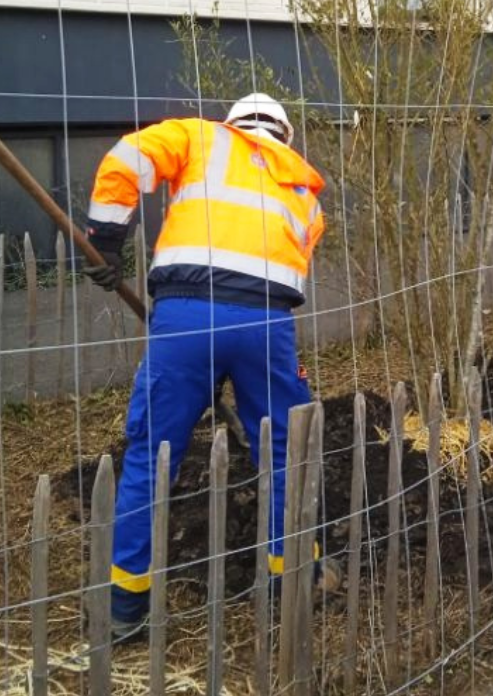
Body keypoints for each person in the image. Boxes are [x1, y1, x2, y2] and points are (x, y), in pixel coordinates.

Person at [84, 93, 328, 640]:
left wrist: (106, 242)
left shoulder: (197, 137)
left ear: (234, 123)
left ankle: (125, 607)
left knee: (153, 453)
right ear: (284, 137)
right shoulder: (303, 189)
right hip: (266, 326)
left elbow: (125, 158)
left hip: (185, 318)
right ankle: (292, 578)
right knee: (285, 449)